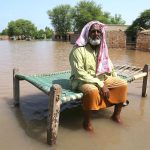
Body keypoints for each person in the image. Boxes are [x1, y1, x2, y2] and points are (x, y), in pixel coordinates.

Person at [69, 21, 128, 132]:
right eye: (93, 31)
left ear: (101, 34)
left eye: (98, 31)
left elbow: (110, 66)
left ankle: (116, 116)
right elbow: (79, 73)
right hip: (81, 80)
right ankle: (87, 123)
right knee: (92, 91)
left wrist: (116, 80)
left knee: (123, 84)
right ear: (87, 33)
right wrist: (100, 84)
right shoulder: (78, 50)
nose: (96, 34)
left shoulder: (102, 48)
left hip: (101, 78)